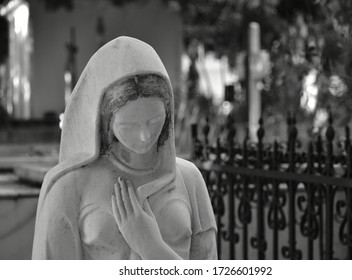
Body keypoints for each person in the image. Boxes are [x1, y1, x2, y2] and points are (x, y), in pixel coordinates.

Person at [32, 37, 217, 260]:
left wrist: (151, 247)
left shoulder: (189, 180)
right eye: (129, 126)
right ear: (106, 123)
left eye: (154, 120)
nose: (144, 135)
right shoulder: (67, 187)